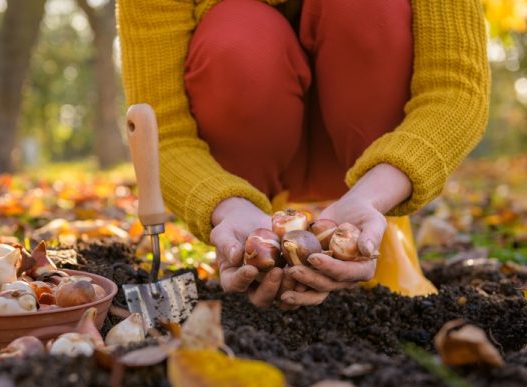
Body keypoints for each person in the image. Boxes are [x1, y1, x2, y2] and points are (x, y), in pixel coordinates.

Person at [117, 0, 489, 309]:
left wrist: (373, 195)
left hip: (367, 162)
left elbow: (455, 92)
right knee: (238, 37)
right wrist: (227, 206)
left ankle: (380, 231)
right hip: (248, 162)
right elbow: (163, 130)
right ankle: (256, 241)